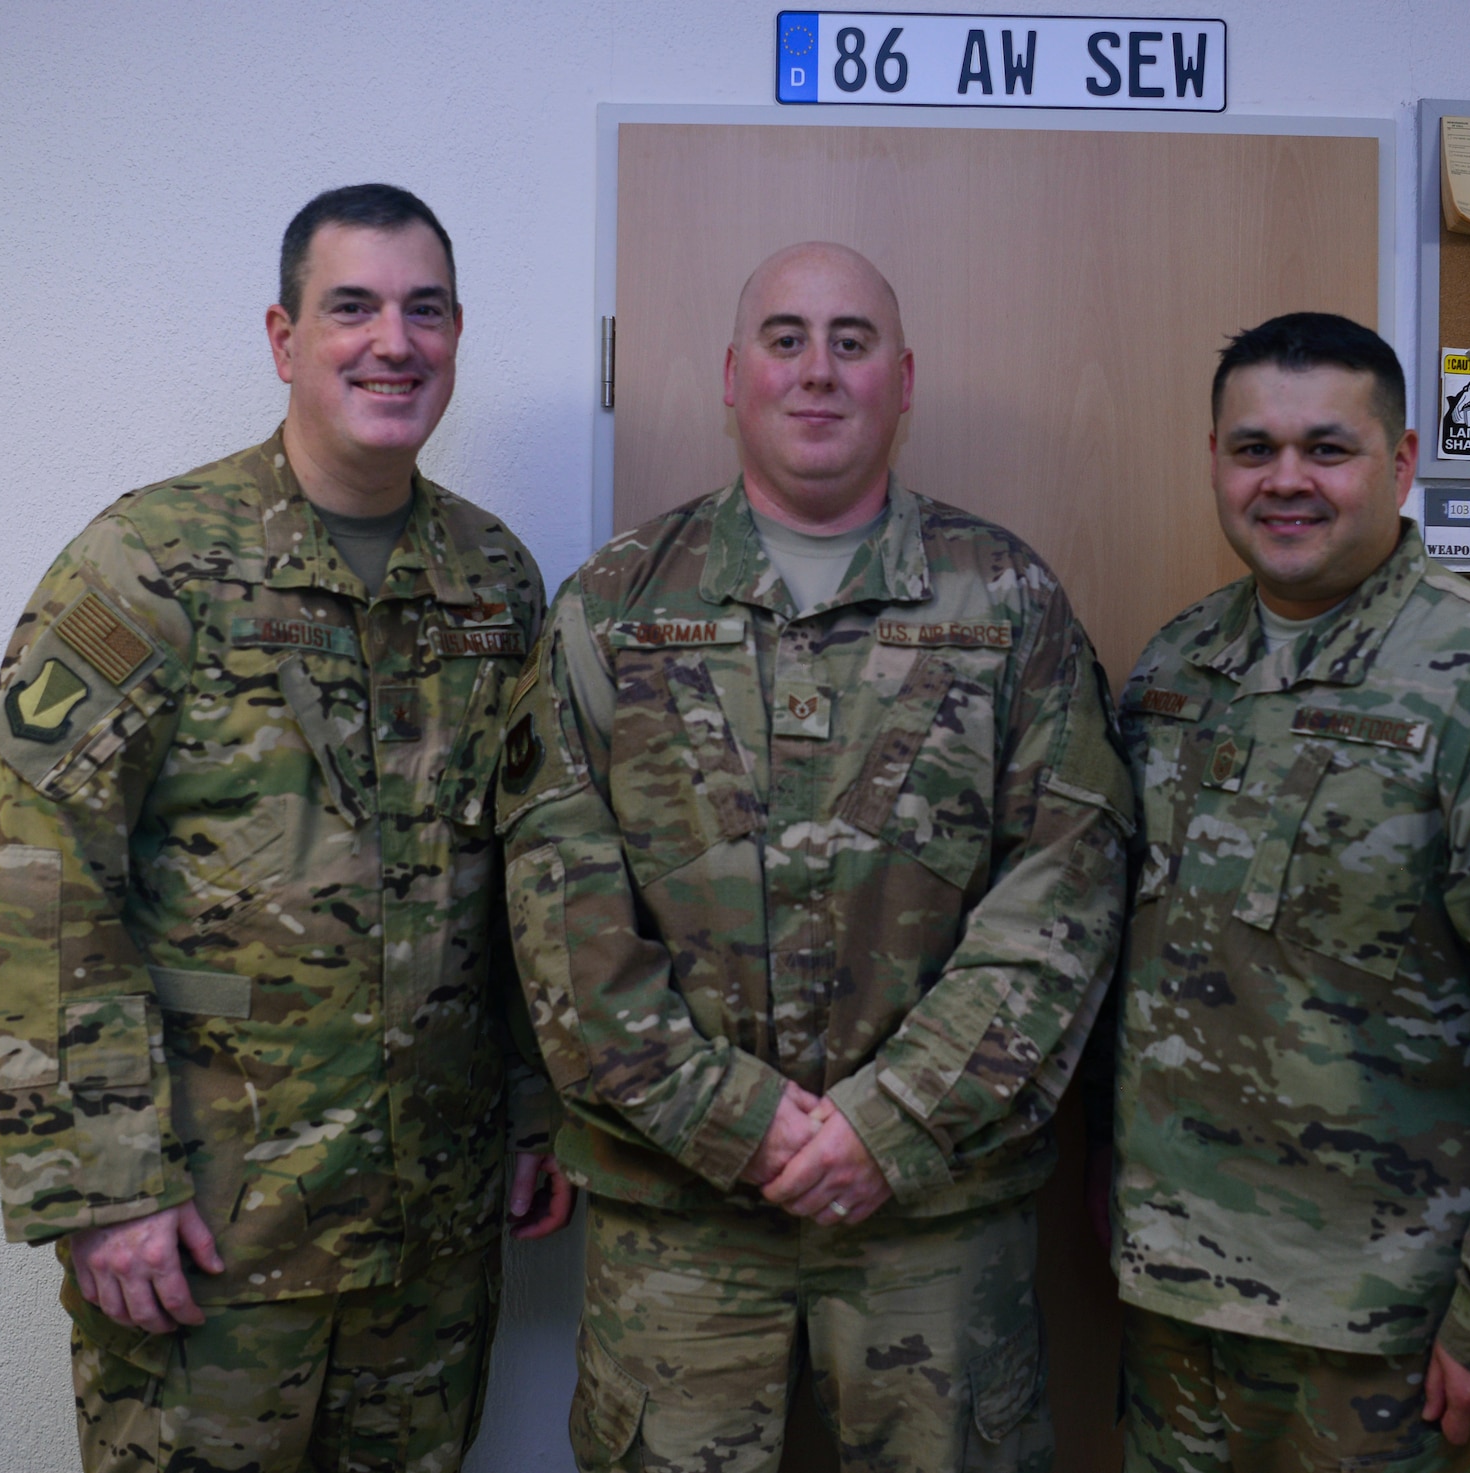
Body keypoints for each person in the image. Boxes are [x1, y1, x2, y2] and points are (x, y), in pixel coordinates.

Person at [498, 241, 1132, 1471]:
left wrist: (889, 1124)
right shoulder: (611, 606)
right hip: (680, 1218)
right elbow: (557, 916)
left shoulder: (1007, 603)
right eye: (785, 339)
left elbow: (1063, 897)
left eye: (851, 342)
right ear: (733, 376)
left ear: (903, 379)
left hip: (931, 1220)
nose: (818, 371)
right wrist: (737, 1123)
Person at [0, 183, 570, 1473]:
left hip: (429, 1225)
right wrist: (101, 1184)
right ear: (283, 336)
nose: (391, 341)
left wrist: (534, 1115)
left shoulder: (493, 580)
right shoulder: (150, 564)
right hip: (205, 1229)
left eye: (424, 310)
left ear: (457, 336)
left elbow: (527, 874)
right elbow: (48, 878)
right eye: (350, 306)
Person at [1086, 312, 1470, 1472]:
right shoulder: (1173, 669)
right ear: (1213, 458)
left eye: (1325, 448)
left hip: (1390, 1331)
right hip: (1177, 1304)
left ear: (1400, 466)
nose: (1284, 481)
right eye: (1252, 449)